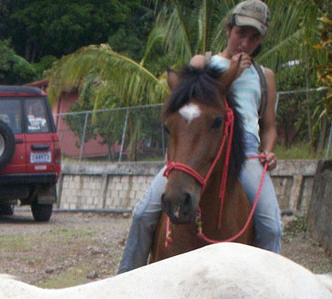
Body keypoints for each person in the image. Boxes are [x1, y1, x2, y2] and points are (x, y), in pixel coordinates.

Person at [118, 0, 282, 273]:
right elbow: (186, 106)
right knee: (143, 213)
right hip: (199, 144)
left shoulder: (265, 76)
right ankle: (125, 281)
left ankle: (270, 286)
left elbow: (269, 125)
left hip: (247, 152)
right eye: (240, 33)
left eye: (254, 38)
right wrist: (231, 72)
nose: (245, 43)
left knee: (271, 226)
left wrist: (269, 149)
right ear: (228, 30)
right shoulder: (203, 63)